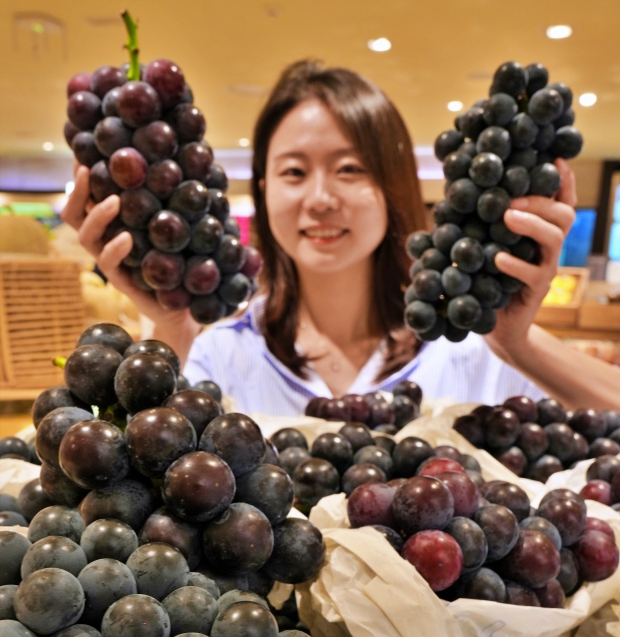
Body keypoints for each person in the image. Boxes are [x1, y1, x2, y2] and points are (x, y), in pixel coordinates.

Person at [62, 60, 620, 415]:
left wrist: (517, 342)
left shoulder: (474, 351)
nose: (320, 197)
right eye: (294, 172)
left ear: (392, 187)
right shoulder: (217, 348)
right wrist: (171, 325)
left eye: (350, 169)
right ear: (263, 191)